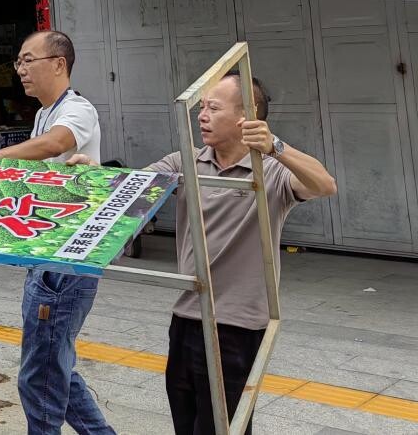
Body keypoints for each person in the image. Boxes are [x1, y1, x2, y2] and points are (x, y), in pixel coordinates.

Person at [69, 71, 336, 435]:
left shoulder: (270, 172)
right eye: (201, 108)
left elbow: (324, 185)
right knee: (186, 422)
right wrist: (96, 175)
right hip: (187, 315)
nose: (202, 116)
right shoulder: (185, 163)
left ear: (246, 116)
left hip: (237, 327)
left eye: (213, 108)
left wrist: (275, 146)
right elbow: (133, 187)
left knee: (222, 428)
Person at [0, 30, 113, 435]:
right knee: (55, 367)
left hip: (67, 257)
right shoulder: (44, 113)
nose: (20, 70)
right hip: (46, 252)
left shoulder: (77, 110)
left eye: (28, 60)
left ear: (58, 64)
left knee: (40, 376)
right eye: (19, 62)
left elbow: (54, 145)